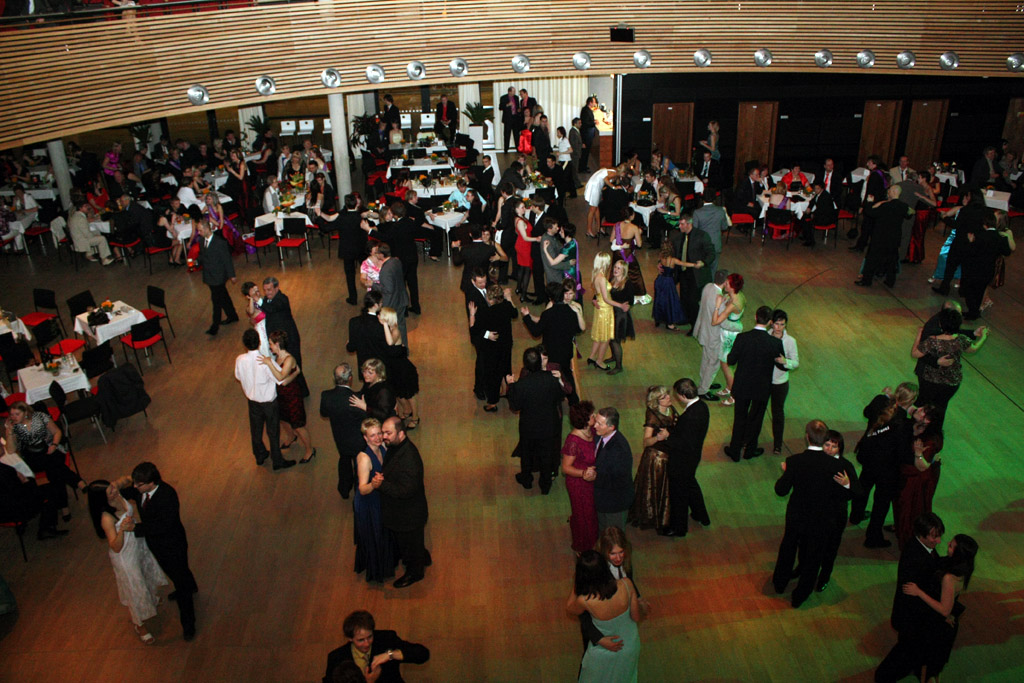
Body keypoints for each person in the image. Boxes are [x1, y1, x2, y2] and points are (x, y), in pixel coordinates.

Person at [771, 420, 856, 608]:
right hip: (821, 520)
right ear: (824, 439)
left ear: (806, 437)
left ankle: (780, 583)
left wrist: (786, 473)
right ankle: (800, 595)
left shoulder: (795, 461)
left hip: (796, 517)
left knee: (788, 548)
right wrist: (847, 485)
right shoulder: (836, 466)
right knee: (813, 557)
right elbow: (844, 496)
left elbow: (781, 490)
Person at [87, 479, 167, 644]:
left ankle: (150, 600)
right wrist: (122, 530)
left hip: (137, 545)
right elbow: (115, 547)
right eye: (110, 492)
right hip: (125, 555)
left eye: (113, 488)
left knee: (145, 574)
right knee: (134, 590)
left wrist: (126, 481)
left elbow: (127, 479)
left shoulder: (116, 492)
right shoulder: (106, 518)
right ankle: (139, 625)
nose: (115, 492)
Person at [125, 462, 199, 641]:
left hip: (173, 545)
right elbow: (126, 492)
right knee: (177, 572)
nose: (134, 487)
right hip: (157, 545)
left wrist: (136, 528)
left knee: (180, 581)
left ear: (151, 483)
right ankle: (191, 585)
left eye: (138, 484)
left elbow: (163, 525)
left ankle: (189, 624)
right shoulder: (141, 490)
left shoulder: (167, 495)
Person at [875, 512, 945, 683]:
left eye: (939, 536)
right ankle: (883, 677)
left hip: (913, 617)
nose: (938, 541)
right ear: (921, 535)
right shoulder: (915, 558)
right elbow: (911, 595)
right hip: (911, 618)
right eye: (934, 537)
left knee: (910, 649)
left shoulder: (921, 547)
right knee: (904, 650)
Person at [901, 534, 979, 682]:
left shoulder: (950, 578)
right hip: (942, 622)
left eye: (951, 546)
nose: (947, 543)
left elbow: (944, 610)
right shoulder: (964, 567)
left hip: (937, 624)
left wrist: (918, 592)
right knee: (933, 662)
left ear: (958, 554)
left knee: (928, 660)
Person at [567, 550, 642, 683]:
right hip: (629, 645)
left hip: (603, 652)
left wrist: (576, 584)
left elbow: (570, 608)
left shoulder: (585, 601)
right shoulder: (627, 584)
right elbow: (636, 617)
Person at [373, 417, 430, 588]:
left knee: (409, 544)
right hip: (406, 512)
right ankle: (422, 557)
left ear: (401, 433)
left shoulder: (409, 458)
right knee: (414, 543)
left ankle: (415, 572)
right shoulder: (397, 446)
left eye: (388, 433)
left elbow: (405, 491)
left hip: (409, 515)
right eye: (383, 432)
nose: (384, 436)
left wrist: (382, 484)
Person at [724, 306, 785, 462]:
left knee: (740, 418)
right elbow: (781, 365)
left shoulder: (742, 338)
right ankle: (750, 450)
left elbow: (731, 360)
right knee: (756, 419)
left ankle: (735, 450)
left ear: (755, 317)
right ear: (770, 322)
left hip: (742, 386)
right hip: (761, 388)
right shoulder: (774, 343)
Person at [234, 328, 296, 471]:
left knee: (256, 431)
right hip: (269, 403)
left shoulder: (240, 360)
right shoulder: (266, 362)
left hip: (253, 402)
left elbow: (238, 376)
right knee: (273, 432)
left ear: (244, 344)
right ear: (259, 342)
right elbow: (280, 379)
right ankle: (277, 460)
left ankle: (260, 455)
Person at [507, 347, 565, 494]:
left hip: (529, 427)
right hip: (548, 425)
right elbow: (560, 397)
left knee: (526, 454)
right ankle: (545, 485)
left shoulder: (521, 385)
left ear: (525, 364)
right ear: (540, 362)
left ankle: (526, 480)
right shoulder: (551, 379)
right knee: (546, 455)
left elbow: (515, 406)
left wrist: (511, 385)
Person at [910, 307, 988, 415]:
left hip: (931, 381)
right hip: (952, 383)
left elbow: (914, 353)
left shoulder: (932, 341)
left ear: (941, 324)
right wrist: (983, 337)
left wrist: (919, 335)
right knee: (940, 408)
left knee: (922, 406)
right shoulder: (961, 339)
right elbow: (973, 348)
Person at [660, 378, 711, 538]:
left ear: (682, 395)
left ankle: (678, 528)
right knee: (691, 485)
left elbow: (684, 443)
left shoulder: (690, 416)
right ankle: (700, 514)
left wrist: (668, 436)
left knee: (679, 495)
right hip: (693, 457)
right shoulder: (702, 406)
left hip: (682, 461)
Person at [521, 279, 586, 404]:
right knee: (567, 375)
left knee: (550, 377)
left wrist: (527, 317)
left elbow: (536, 332)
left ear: (551, 298)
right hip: (566, 352)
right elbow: (578, 329)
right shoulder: (571, 312)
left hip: (551, 354)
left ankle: (553, 400)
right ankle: (574, 404)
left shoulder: (547, 314)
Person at [322, 610, 430, 683]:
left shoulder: (386, 639)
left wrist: (391, 655)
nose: (367, 643)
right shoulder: (336, 658)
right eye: (360, 640)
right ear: (350, 638)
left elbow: (423, 654)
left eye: (370, 637)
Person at [850, 396, 901, 548]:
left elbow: (866, 412)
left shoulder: (879, 404)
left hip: (868, 460)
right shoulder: (902, 423)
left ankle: (856, 516)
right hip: (887, 470)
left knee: (862, 488)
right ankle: (873, 537)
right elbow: (902, 451)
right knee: (881, 504)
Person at [352, 418, 397, 584]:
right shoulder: (364, 458)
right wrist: (374, 484)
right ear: (365, 438)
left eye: (379, 433)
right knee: (375, 535)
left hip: (379, 498)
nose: (377, 438)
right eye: (373, 435)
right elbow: (362, 489)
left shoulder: (382, 447)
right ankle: (377, 570)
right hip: (368, 503)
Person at [259, 330, 316, 464]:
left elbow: (281, 378)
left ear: (277, 344)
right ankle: (291, 437)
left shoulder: (289, 359)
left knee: (298, 425)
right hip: (281, 395)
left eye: (271, 344)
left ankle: (309, 450)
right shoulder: (277, 357)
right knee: (283, 419)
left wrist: (269, 363)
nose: (269, 346)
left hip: (292, 396)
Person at [894, 404, 944, 551]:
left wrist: (918, 453)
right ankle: (900, 528)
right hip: (906, 475)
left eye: (923, 411)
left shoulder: (930, 441)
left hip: (916, 480)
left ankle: (908, 540)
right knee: (901, 506)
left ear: (928, 421)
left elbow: (922, 467)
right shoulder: (919, 426)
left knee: (910, 509)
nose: (918, 409)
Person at [627, 386, 675, 533]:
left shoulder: (670, 409)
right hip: (657, 460)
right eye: (663, 397)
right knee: (656, 490)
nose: (668, 397)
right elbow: (646, 442)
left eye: (667, 394)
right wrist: (658, 437)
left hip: (668, 455)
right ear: (656, 402)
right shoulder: (653, 417)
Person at [817, 431, 858, 592]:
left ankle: (824, 576)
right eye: (826, 445)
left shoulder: (846, 466)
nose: (829, 449)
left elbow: (858, 492)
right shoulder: (817, 460)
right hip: (817, 512)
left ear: (840, 448)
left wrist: (847, 484)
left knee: (830, 548)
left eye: (834, 446)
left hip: (835, 516)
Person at [320, 363, 366, 500]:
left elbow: (324, 413)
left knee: (344, 461)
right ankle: (359, 492)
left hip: (340, 438)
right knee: (359, 465)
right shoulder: (356, 398)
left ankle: (344, 489)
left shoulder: (326, 396)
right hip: (358, 440)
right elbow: (366, 417)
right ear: (350, 378)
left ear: (334, 378)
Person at [959, 209, 1014, 320]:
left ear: (985, 224)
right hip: (989, 269)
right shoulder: (1000, 237)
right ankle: (974, 312)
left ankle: (972, 311)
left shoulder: (981, 236)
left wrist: (970, 242)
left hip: (975, 269)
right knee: (980, 292)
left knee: (970, 291)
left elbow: (971, 252)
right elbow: (1007, 252)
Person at [469, 285, 517, 413]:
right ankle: (508, 392)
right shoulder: (506, 306)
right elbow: (515, 313)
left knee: (492, 375)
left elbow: (474, 330)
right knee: (506, 368)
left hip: (492, 348)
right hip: (506, 344)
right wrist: (509, 298)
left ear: (490, 299)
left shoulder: (487, 313)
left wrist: (472, 314)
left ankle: (492, 402)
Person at [855, 186, 913, 288]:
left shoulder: (885, 206)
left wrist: (869, 202)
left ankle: (866, 280)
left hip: (880, 236)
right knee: (892, 260)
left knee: (872, 258)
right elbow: (909, 214)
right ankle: (890, 281)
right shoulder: (903, 206)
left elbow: (870, 212)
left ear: (894, 192)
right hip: (894, 237)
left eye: (889, 190)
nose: (888, 192)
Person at [562, 400, 599, 553]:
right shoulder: (573, 441)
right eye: (592, 415)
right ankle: (584, 546)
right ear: (585, 420)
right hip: (579, 484)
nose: (595, 416)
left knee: (592, 513)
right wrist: (583, 473)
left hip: (592, 480)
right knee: (584, 515)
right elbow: (565, 467)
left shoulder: (593, 431)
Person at [261, 277, 307, 397]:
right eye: (265, 290)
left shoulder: (282, 299)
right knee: (285, 365)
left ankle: (301, 391)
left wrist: (258, 300)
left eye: (269, 289)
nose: (267, 293)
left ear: (277, 288)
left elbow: (271, 309)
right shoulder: (266, 300)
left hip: (290, 339)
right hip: (280, 340)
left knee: (295, 364)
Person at [591, 407, 634, 532]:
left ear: (611, 427)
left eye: (599, 424)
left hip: (615, 503)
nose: (595, 426)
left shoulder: (620, 449)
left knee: (614, 535)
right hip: (602, 499)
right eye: (596, 421)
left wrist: (594, 475)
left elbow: (618, 479)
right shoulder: (599, 437)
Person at [378, 306, 420, 429]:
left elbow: (390, 343)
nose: (378, 317)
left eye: (381, 315)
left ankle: (415, 417)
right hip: (392, 368)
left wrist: (384, 325)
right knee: (397, 393)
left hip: (402, 369)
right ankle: (407, 410)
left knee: (409, 394)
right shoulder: (385, 329)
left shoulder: (395, 330)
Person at [195, 220, 238, 336]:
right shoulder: (202, 241)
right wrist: (196, 262)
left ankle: (215, 326)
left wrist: (232, 275)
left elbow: (227, 260)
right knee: (223, 296)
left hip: (218, 276)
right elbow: (202, 255)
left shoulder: (220, 242)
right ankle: (232, 315)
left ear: (206, 229)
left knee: (216, 301)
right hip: (209, 275)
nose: (199, 233)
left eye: (200, 230)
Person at [694, 270, 730, 402]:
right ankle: (704, 390)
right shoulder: (718, 299)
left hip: (704, 330)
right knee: (713, 363)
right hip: (713, 336)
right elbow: (723, 322)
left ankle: (704, 383)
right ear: (725, 282)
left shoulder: (708, 287)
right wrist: (738, 327)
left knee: (705, 359)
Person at [587, 251, 626, 372]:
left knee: (599, 335)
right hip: (605, 309)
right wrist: (620, 305)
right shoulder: (602, 278)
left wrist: (595, 300)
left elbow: (598, 295)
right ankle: (599, 361)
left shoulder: (596, 275)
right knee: (606, 337)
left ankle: (592, 357)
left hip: (600, 309)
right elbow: (606, 298)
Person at [769, 310, 800, 455]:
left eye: (782, 324)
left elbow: (796, 362)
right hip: (765, 381)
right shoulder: (766, 337)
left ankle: (777, 445)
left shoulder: (790, 341)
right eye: (776, 324)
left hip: (780, 383)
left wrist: (785, 361)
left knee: (778, 414)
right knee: (757, 412)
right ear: (771, 323)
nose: (779, 327)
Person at [712, 273, 745, 405]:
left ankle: (734, 395)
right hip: (731, 330)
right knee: (725, 363)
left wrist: (717, 306)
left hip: (728, 335)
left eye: (727, 283)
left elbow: (715, 321)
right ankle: (729, 387)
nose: (724, 284)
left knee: (725, 364)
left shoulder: (734, 303)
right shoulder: (739, 295)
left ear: (732, 287)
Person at [375, 242, 410, 346]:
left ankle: (394, 349)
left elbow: (388, 289)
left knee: (391, 329)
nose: (376, 254)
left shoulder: (385, 270)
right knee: (401, 326)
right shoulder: (396, 261)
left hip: (391, 303)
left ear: (381, 255)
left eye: (377, 253)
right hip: (401, 299)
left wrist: (373, 285)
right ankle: (404, 348)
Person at [346, 290, 390, 371]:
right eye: (381, 303)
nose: (382, 304)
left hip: (364, 366)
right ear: (375, 305)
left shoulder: (353, 322)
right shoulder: (382, 325)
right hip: (379, 366)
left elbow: (351, 348)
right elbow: (387, 346)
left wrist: (349, 343)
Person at [606, 259, 635, 375]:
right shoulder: (612, 280)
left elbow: (631, 300)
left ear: (624, 270)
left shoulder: (627, 283)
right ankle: (614, 356)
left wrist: (626, 306)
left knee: (615, 340)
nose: (616, 270)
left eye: (619, 268)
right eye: (615, 267)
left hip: (620, 315)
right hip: (612, 312)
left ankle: (619, 366)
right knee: (610, 337)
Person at [68, 197, 115, 265]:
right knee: (102, 239)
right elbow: (87, 234)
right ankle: (104, 259)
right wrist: (95, 236)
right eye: (85, 206)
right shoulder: (81, 218)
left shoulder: (76, 215)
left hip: (78, 238)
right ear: (80, 208)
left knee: (96, 231)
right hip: (81, 241)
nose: (87, 207)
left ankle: (91, 252)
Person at [350, 358, 396, 423]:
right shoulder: (368, 383)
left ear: (379, 373)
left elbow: (384, 415)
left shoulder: (383, 390)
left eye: (370, 373)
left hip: (381, 424)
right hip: (371, 419)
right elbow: (363, 394)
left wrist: (365, 407)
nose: (365, 375)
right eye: (364, 371)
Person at [240, 280, 270, 356]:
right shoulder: (249, 307)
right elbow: (251, 312)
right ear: (248, 296)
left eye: (257, 291)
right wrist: (252, 298)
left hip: (270, 328)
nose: (257, 293)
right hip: (262, 332)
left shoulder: (264, 300)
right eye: (254, 292)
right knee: (266, 350)